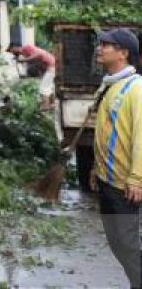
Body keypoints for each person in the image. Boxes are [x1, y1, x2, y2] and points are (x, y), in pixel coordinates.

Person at [92, 27, 142, 289]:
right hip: (106, 180)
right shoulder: (111, 84)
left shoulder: (136, 89)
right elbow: (106, 130)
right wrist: (94, 169)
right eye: (100, 43)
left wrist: (137, 178)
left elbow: (140, 137)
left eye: (107, 45)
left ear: (123, 53)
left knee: (127, 242)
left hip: (124, 185)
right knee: (117, 241)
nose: (100, 48)